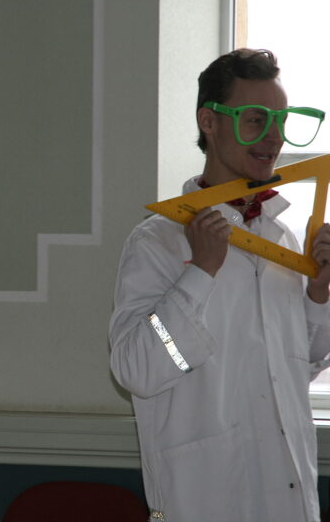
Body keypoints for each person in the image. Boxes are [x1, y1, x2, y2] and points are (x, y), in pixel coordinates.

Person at [109, 48, 330, 522]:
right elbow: (136, 370)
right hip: (204, 499)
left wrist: (318, 296)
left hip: (289, 498)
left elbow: (298, 367)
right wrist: (200, 273)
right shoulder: (158, 241)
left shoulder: (283, 238)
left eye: (282, 121)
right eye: (256, 119)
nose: (274, 137)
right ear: (209, 121)